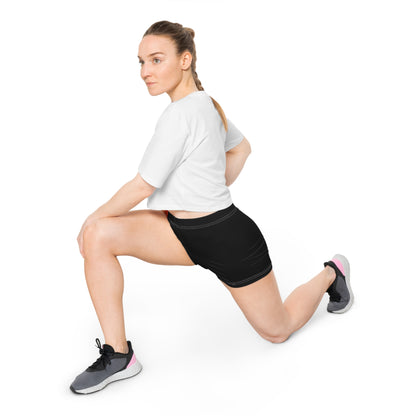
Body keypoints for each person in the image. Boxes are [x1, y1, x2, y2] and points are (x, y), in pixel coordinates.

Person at [70, 20, 354, 395]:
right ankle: (119, 354)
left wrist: (91, 215)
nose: (145, 72)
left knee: (278, 330)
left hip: (228, 239)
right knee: (99, 237)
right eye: (140, 62)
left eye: (156, 60)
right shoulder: (205, 103)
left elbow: (144, 184)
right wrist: (206, 185)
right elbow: (241, 148)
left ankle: (331, 274)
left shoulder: (184, 112)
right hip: (177, 232)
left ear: (185, 59)